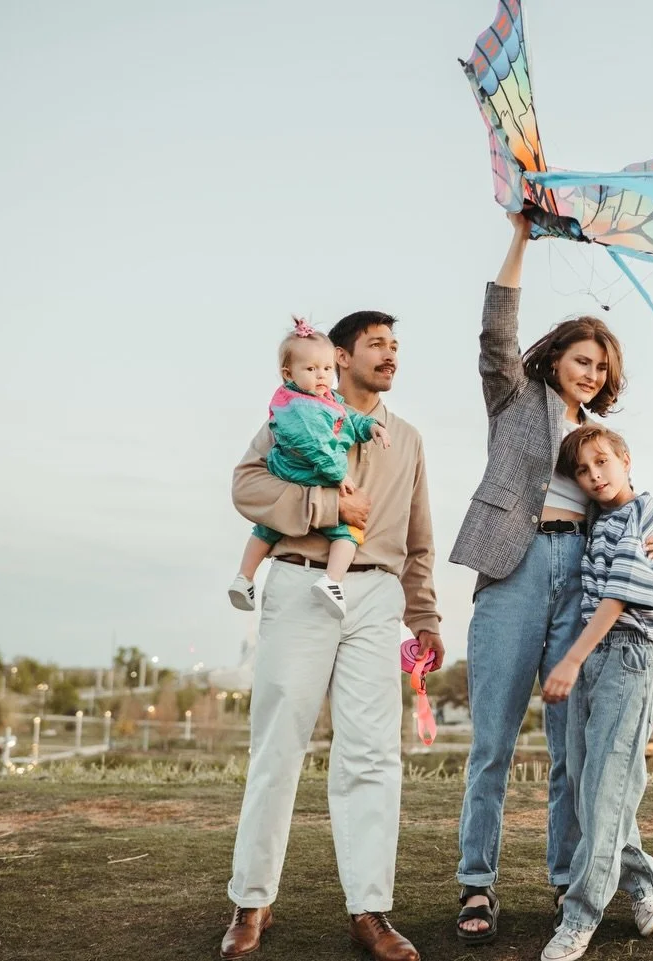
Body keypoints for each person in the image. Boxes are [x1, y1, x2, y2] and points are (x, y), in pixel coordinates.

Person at [449, 211, 653, 943]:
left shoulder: (598, 446)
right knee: (491, 740)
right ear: (556, 358)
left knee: (568, 747)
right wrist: (522, 236)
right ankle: (477, 884)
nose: (592, 371)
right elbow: (496, 332)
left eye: (601, 366)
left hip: (579, 582)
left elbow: (629, 506)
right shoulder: (516, 398)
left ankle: (563, 877)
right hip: (514, 569)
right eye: (583, 359)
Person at [220, 309, 442, 961]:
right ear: (340, 357)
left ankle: (369, 911)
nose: (391, 354)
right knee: (278, 744)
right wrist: (325, 508)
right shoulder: (295, 409)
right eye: (376, 344)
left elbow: (420, 535)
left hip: (377, 593)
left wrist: (424, 613)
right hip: (298, 580)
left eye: (396, 345)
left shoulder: (409, 437)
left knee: (374, 754)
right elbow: (247, 486)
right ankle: (251, 901)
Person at [539, 424, 653, 961]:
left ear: (625, 458)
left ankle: (580, 916)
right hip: (593, 654)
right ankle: (643, 882)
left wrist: (569, 658)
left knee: (605, 787)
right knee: (586, 782)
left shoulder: (644, 515)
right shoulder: (598, 516)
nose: (594, 476)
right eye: (583, 470)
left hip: (629, 654)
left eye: (602, 463)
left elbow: (619, 596)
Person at [228, 317, 390, 620]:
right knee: (348, 532)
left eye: (326, 369)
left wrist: (370, 427)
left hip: (295, 471)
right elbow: (318, 447)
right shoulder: (301, 409)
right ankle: (332, 581)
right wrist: (338, 476)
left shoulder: (323, 400)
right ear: (288, 374)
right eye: (312, 369)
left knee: (266, 529)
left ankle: (244, 578)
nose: (321, 376)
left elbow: (349, 417)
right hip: (305, 472)